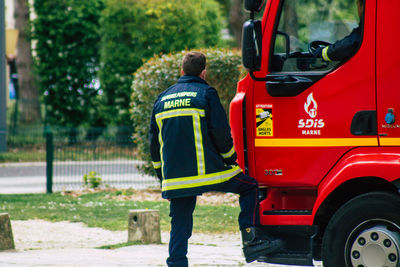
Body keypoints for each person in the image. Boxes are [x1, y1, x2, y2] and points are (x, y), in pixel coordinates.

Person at [149, 51, 282, 267]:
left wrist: (163, 180)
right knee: (249, 187)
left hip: (176, 179)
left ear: (182, 71)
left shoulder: (161, 99)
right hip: (209, 172)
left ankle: (176, 262)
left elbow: (154, 146)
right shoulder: (206, 93)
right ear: (204, 73)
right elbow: (220, 132)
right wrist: (230, 160)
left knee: (180, 222)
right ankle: (252, 240)